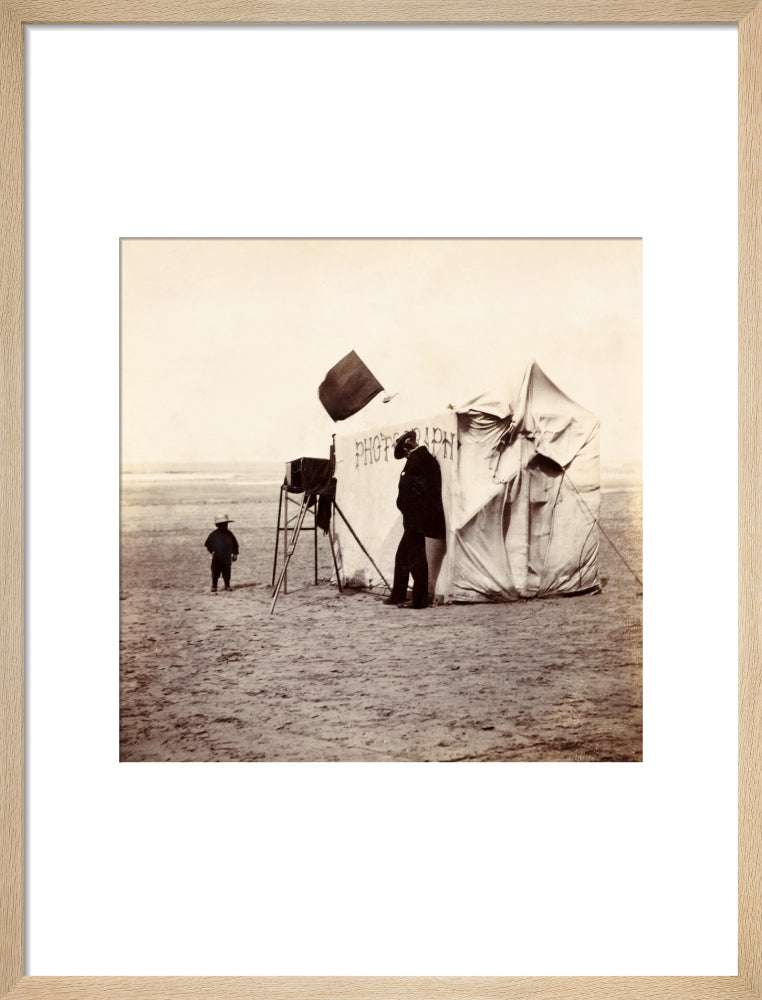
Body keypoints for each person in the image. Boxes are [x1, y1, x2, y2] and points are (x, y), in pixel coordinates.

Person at [385, 430, 446, 609]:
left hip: (417, 518)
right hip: (414, 517)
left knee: (416, 559)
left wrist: (408, 507)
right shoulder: (422, 459)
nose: (405, 455)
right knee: (402, 557)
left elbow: (416, 489)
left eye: (405, 450)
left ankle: (419, 600)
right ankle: (398, 595)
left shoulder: (420, 460)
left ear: (410, 443)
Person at [204, 514, 239, 592]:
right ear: (217, 525)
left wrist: (235, 554)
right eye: (222, 524)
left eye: (225, 524)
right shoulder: (213, 534)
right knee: (215, 572)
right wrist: (212, 551)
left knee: (227, 572)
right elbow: (207, 544)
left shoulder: (229, 534)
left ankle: (227, 585)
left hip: (227, 557)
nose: (224, 526)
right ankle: (214, 586)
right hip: (217, 557)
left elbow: (235, 544)